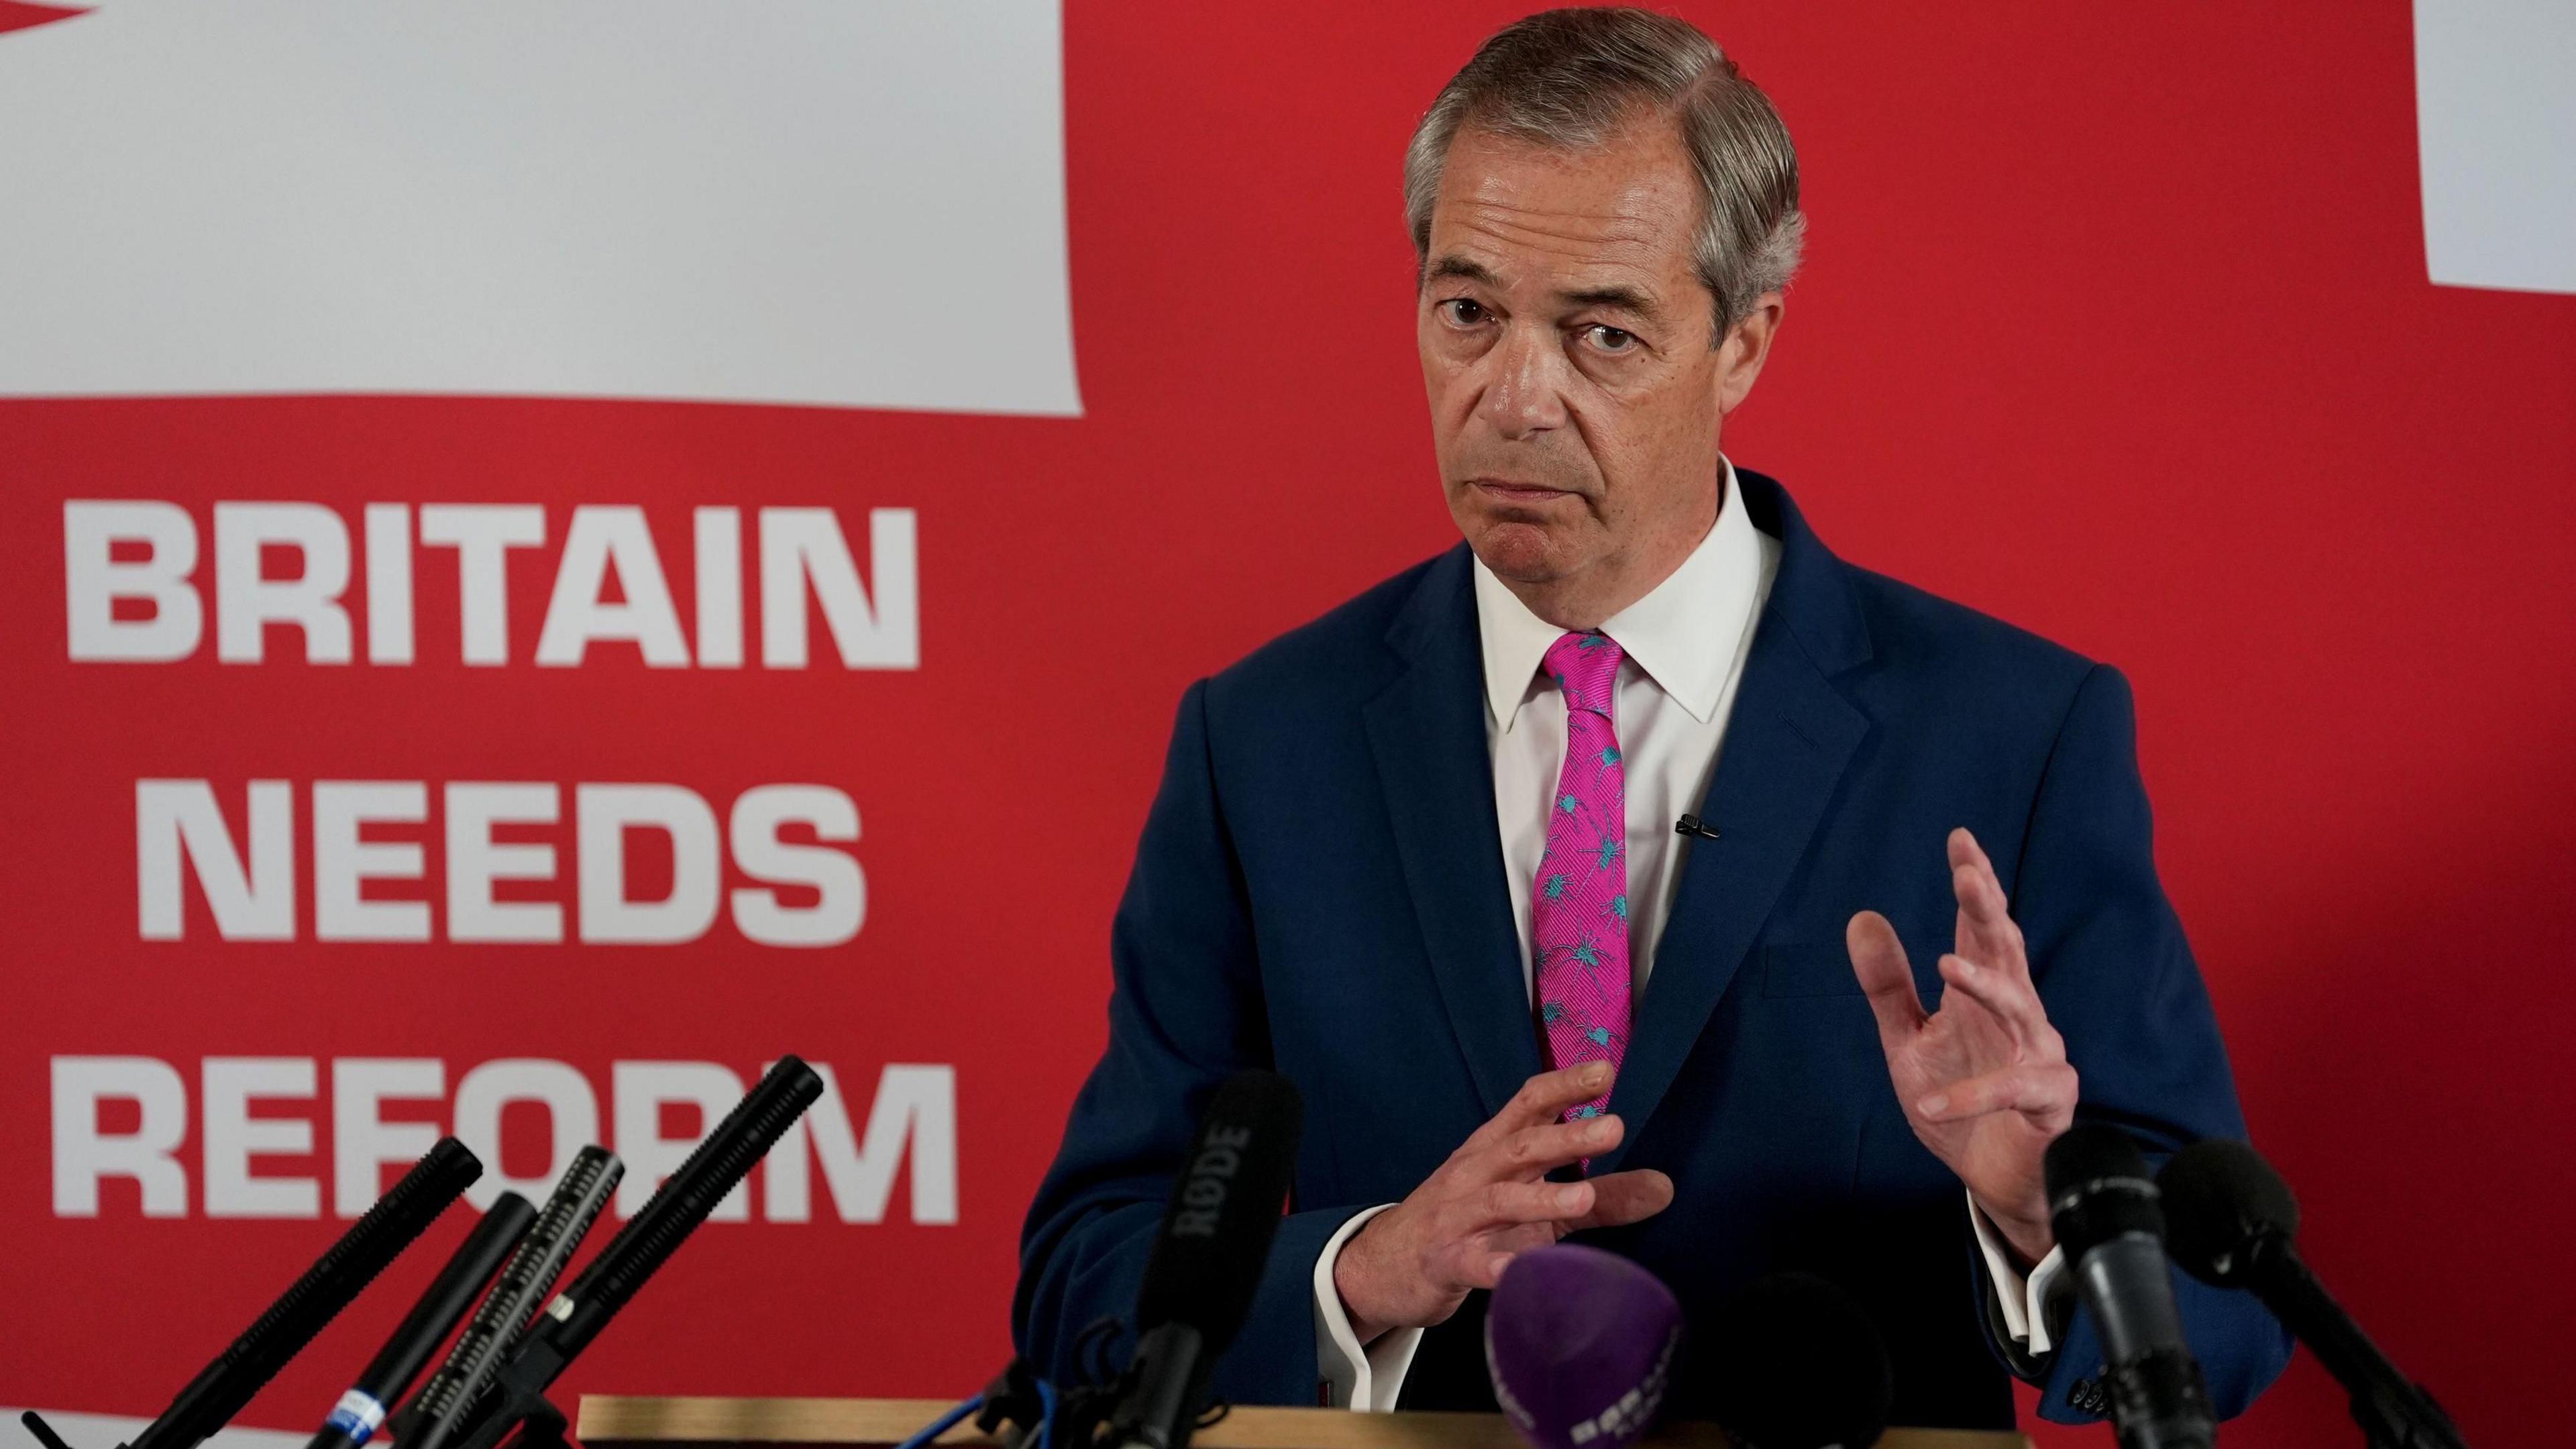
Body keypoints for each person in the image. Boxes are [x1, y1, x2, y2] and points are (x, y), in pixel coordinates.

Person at [1013, 7, 2289, 1432]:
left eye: (1601, 333)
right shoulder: (1264, 745)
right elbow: (1085, 1287)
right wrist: (1370, 1269)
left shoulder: (2013, 735)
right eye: (1468, 313)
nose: (1515, 399)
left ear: (1742, 344)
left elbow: (2228, 1323)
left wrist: (2043, 1211)